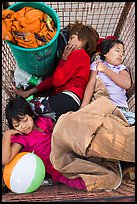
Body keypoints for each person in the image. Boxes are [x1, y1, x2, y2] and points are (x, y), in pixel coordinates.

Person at [12, 21, 99, 120]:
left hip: (67, 98)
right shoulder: (83, 58)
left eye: (72, 38)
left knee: (24, 108)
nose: (69, 42)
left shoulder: (78, 54)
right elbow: (53, 80)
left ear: (83, 40)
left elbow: (57, 81)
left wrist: (63, 59)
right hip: (70, 101)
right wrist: (30, 92)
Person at [2, 96, 87, 190]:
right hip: (61, 171)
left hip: (72, 154)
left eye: (25, 120)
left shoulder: (43, 121)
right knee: (88, 183)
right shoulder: (22, 139)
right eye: (17, 125)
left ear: (31, 114)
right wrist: (7, 134)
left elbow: (62, 132)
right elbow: (5, 159)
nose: (23, 126)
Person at [80, 38, 135, 125]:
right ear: (106, 53)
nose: (121, 54)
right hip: (102, 105)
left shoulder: (121, 68)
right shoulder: (96, 64)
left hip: (120, 108)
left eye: (123, 53)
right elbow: (91, 83)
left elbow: (126, 84)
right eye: (117, 50)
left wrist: (105, 70)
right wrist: (84, 105)